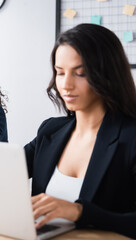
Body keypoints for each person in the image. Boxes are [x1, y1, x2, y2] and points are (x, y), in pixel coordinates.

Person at [24, 23, 136, 239]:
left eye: (80, 73)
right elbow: (1, 172)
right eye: (59, 72)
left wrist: (79, 212)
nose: (65, 85)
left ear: (107, 75)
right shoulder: (50, 130)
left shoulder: (131, 138)